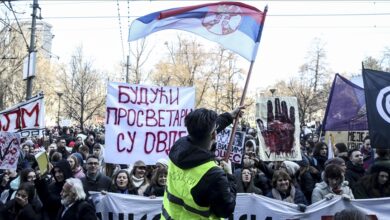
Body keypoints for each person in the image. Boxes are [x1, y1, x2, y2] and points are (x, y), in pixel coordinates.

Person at [161, 107, 243, 219]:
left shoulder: (177, 146)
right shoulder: (214, 175)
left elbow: (202, 131)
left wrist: (228, 117)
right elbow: (227, 210)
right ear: (214, 135)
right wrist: (229, 175)